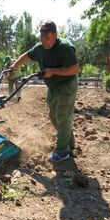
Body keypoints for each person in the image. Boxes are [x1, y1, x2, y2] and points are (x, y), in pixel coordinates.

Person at [10, 20, 79, 162]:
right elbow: (27, 56)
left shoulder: (65, 48)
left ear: (54, 35)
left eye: (46, 37)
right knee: (53, 116)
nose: (43, 41)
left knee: (63, 115)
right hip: (53, 87)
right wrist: (14, 66)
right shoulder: (40, 48)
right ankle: (69, 141)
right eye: (41, 37)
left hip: (67, 85)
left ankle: (62, 152)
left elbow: (74, 69)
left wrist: (52, 71)